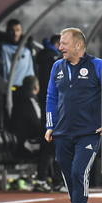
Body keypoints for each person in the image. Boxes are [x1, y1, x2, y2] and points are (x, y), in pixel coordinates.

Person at [45, 28, 102, 203]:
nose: (60, 48)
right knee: (70, 180)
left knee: (79, 173)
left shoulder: (98, 65)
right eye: (60, 43)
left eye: (64, 44)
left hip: (88, 133)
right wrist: (50, 126)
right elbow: (51, 97)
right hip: (61, 134)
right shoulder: (57, 67)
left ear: (78, 45)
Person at [35, 34, 65, 192]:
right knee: (51, 143)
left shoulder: (51, 62)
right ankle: (45, 180)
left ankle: (54, 180)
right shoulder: (55, 64)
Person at [0, 19, 35, 87]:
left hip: (27, 87)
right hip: (9, 87)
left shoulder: (28, 46)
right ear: (7, 31)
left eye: (18, 30)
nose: (15, 34)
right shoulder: (1, 47)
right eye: (12, 31)